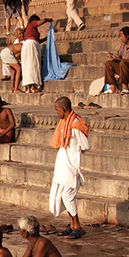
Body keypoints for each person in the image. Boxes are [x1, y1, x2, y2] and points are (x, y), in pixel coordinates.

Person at [48, 96, 90, 240]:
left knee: (68, 196)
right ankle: (72, 225)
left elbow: (85, 145)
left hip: (71, 165)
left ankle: (77, 226)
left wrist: (75, 152)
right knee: (63, 195)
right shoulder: (64, 123)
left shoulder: (75, 124)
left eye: (57, 109)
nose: (56, 112)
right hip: (62, 163)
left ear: (64, 109)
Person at [21, 15, 52, 91]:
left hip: (30, 45)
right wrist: (48, 19)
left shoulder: (30, 30)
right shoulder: (31, 24)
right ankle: (32, 87)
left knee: (29, 65)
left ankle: (29, 87)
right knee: (32, 65)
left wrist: (46, 38)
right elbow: (43, 20)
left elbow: (38, 40)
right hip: (31, 45)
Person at [0, 27, 24, 93]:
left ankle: (13, 87)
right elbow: (17, 55)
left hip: (3, 52)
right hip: (8, 53)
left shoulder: (22, 42)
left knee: (13, 70)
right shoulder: (24, 45)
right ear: (16, 35)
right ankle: (16, 88)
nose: (22, 35)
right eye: (20, 33)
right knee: (19, 69)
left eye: (22, 33)